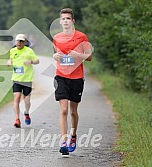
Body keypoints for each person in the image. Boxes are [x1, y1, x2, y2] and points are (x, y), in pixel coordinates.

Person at [52, 8, 93, 155]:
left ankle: (73, 136)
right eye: (63, 19)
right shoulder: (56, 37)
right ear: (60, 21)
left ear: (73, 21)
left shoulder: (82, 37)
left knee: (73, 112)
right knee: (63, 110)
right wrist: (55, 57)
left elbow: (89, 57)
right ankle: (63, 141)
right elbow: (56, 54)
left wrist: (78, 54)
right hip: (61, 76)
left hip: (76, 78)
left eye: (68, 18)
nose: (65, 21)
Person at [7, 34, 39, 128]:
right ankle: (17, 119)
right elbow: (11, 60)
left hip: (27, 79)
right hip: (16, 79)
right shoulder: (12, 51)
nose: (19, 43)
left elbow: (37, 61)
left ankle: (26, 112)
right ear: (15, 42)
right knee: (16, 97)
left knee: (27, 100)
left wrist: (31, 62)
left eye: (21, 41)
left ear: (24, 42)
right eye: (18, 41)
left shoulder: (29, 51)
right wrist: (9, 62)